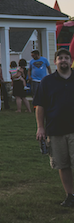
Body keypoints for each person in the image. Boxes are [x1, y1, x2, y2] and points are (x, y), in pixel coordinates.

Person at [35, 49, 74, 207]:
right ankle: (70, 195)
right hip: (55, 130)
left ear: (71, 61)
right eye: (60, 58)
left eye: (66, 58)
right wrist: (40, 127)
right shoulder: (47, 81)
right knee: (62, 164)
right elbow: (40, 106)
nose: (63, 60)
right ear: (55, 61)